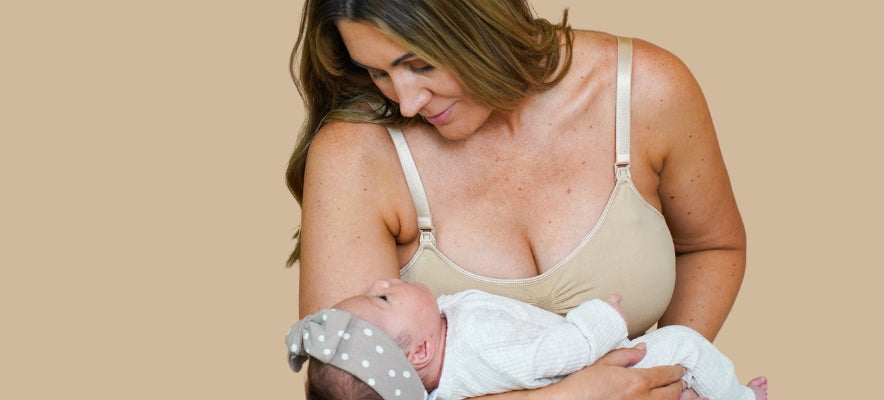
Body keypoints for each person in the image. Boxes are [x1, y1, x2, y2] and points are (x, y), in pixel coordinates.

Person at [286, 1, 747, 398]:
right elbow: (356, 393)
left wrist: (664, 376)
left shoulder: (646, 89)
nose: (406, 102)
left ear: (479, 21)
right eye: (376, 72)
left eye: (420, 64)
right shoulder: (355, 156)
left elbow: (710, 247)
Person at [286, 279, 767, 400]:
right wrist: (603, 317)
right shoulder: (478, 341)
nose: (381, 282)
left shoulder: (437, 357)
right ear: (420, 352)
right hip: (597, 372)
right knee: (681, 343)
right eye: (383, 299)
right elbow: (560, 353)